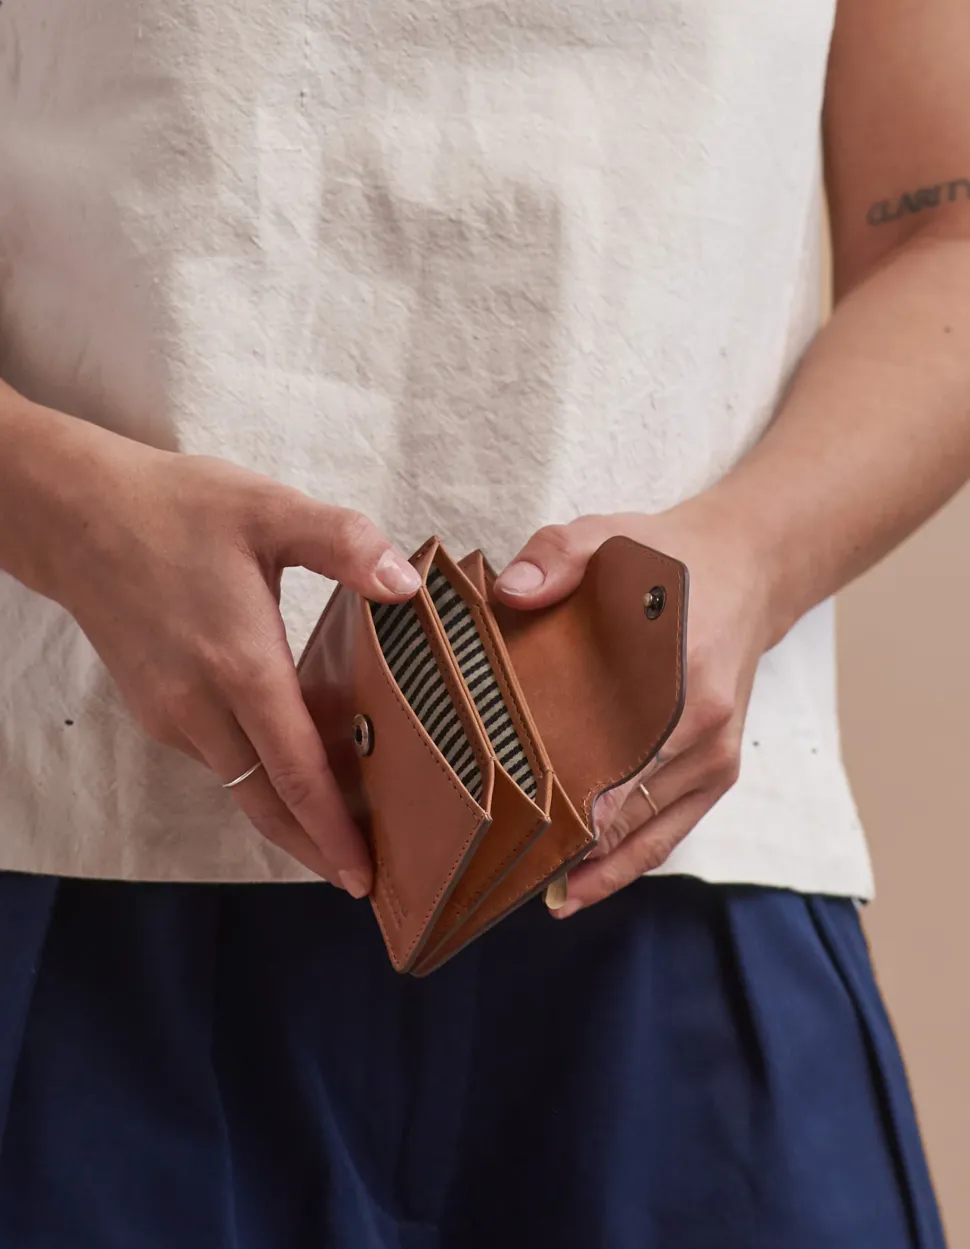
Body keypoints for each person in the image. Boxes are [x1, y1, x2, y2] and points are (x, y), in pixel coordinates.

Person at [0, 0, 965, 1243]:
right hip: (91, 862)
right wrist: (64, 511)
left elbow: (944, 230)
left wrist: (756, 556)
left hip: (670, 860)